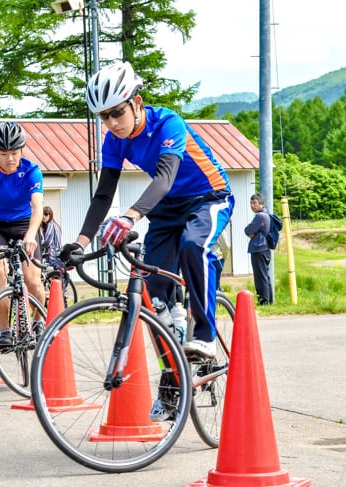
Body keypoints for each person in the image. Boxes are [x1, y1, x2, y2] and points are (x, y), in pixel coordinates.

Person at [59, 61, 234, 360]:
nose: (112, 123)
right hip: (167, 209)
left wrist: (130, 215)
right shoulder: (114, 141)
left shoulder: (168, 123)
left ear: (136, 102)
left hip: (208, 196)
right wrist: (80, 242)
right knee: (151, 294)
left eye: (117, 112)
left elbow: (165, 178)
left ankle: (205, 335)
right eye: (104, 116)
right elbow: (103, 194)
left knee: (194, 246)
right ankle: (172, 382)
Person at [0, 121, 46, 352]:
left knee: (32, 279)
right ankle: (5, 331)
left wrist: (31, 235)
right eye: (4, 154)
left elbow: (38, 208)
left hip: (25, 225)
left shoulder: (32, 170)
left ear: (22, 150)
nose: (10, 159)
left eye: (15, 153)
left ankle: (38, 321)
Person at [244, 193, 273, 305]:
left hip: (259, 248)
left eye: (254, 203)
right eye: (251, 203)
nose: (252, 205)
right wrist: (253, 232)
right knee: (265, 275)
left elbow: (247, 230)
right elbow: (250, 231)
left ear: (261, 204)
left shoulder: (260, 216)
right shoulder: (266, 214)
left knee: (260, 275)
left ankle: (263, 300)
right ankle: (268, 299)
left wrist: (252, 233)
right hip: (264, 249)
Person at [40, 206, 63, 270]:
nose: (44, 216)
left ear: (50, 215)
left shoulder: (50, 224)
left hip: (53, 255)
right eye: (42, 215)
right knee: (59, 274)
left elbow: (47, 242)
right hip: (58, 254)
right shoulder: (55, 225)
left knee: (52, 275)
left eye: (46, 214)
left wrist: (38, 245)